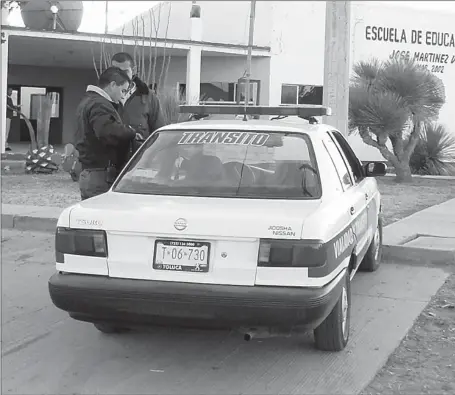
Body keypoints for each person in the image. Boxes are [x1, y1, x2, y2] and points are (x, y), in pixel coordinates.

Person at [74, 66, 139, 200]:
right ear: (112, 85)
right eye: (123, 90)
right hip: (100, 174)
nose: (123, 95)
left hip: (90, 172)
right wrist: (131, 132)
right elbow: (107, 132)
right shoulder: (99, 104)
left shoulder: (87, 101)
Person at [111, 52, 166, 169]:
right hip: (109, 166)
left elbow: (158, 134)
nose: (120, 75)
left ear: (134, 70)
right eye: (116, 71)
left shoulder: (148, 97)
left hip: (139, 165)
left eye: (125, 71)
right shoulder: (104, 97)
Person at [5, 87, 20, 152]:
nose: (11, 92)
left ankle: (5, 144)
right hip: (6, 116)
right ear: (7, 91)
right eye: (10, 91)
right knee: (5, 131)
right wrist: (14, 108)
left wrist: (16, 107)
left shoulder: (9, 99)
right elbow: (8, 107)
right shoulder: (5, 98)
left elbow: (11, 106)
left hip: (9, 116)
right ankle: (4, 145)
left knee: (7, 131)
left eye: (11, 91)